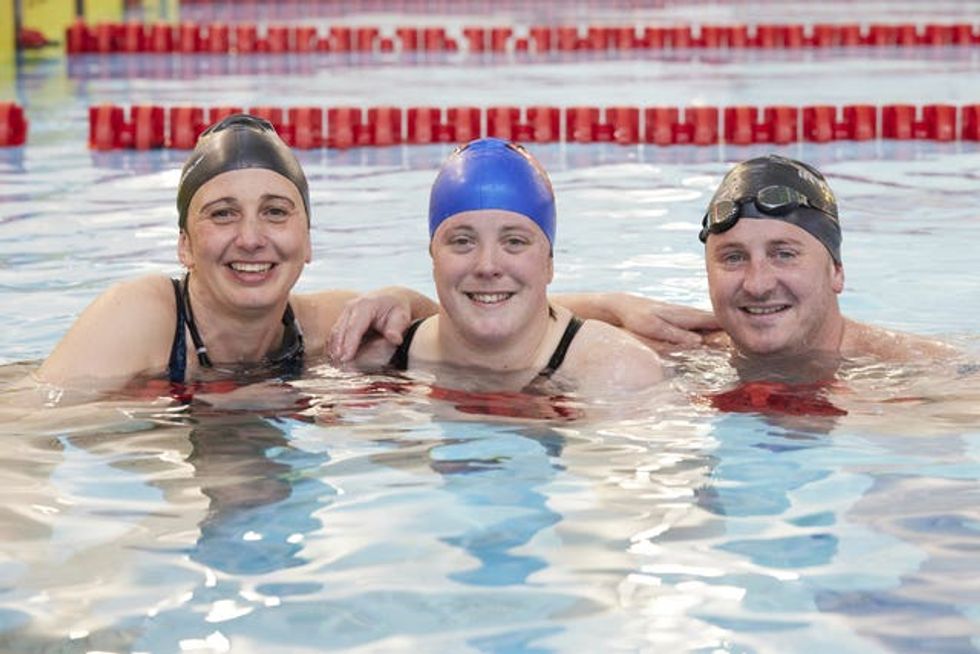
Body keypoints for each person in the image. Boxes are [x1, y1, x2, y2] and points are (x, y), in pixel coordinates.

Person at [27, 113, 437, 403]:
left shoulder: (330, 329)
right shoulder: (141, 317)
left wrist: (404, 300)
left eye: (275, 212)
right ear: (185, 246)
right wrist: (204, 413)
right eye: (223, 214)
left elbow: (458, 337)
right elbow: (25, 432)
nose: (251, 239)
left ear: (307, 242)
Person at [565, 154, 953, 373]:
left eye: (784, 254)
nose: (758, 284)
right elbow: (532, 324)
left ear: (837, 271)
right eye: (733, 258)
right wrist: (614, 304)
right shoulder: (688, 352)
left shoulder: (920, 372)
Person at [355, 137, 665, 396]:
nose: (487, 265)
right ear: (433, 257)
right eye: (462, 241)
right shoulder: (371, 363)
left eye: (514, 242)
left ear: (549, 262)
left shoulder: (615, 372)